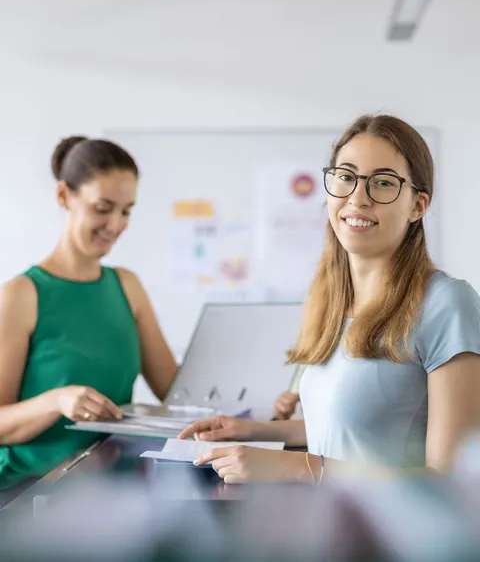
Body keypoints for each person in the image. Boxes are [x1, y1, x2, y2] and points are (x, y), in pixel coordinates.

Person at [179, 114, 480, 484]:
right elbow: (358, 428)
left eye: (383, 183)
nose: (358, 198)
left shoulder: (446, 302)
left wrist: (298, 467)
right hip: (327, 529)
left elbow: (454, 482)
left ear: (417, 206)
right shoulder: (333, 301)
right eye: (346, 177)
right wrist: (251, 430)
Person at [0, 136, 177, 490]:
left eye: (126, 210)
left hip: (109, 488)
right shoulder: (21, 295)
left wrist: (265, 405)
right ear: (64, 196)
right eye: (103, 207)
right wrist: (56, 400)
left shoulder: (127, 286)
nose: (115, 224)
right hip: (29, 492)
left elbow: (175, 392)